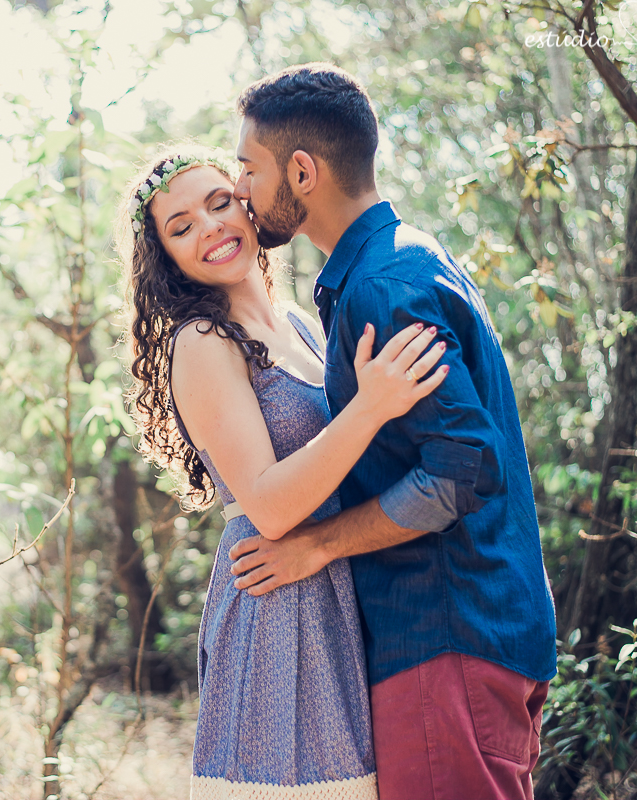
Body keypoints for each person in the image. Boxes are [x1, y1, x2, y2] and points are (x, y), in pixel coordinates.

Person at [227, 62, 558, 800]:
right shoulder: (403, 256)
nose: (240, 189)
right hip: (470, 637)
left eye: (248, 168)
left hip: (445, 640)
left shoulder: (382, 286)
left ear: (302, 171)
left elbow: (461, 468)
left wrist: (316, 544)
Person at [118, 148, 447, 800]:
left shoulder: (299, 321)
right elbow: (267, 505)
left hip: (333, 584)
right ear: (168, 258)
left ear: (246, 200)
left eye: (218, 203)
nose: (209, 228)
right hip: (273, 596)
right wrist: (372, 405)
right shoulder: (202, 343)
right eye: (181, 227)